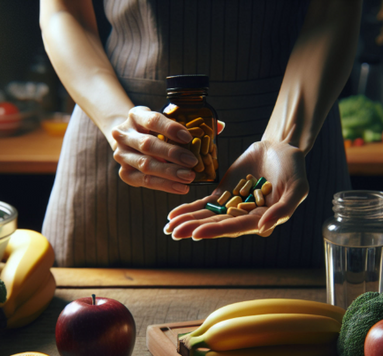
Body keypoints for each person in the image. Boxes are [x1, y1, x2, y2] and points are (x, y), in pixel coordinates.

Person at [40, 0, 362, 268]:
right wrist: (117, 122)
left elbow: (333, 10)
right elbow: (62, 12)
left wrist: (284, 140)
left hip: (294, 135)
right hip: (121, 135)